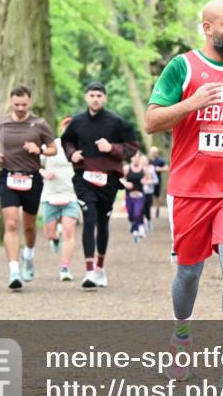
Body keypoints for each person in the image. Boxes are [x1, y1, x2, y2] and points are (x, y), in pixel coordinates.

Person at [145, 0, 223, 385]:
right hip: (190, 190)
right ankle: (180, 336)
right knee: (189, 273)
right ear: (207, 27)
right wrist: (193, 102)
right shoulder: (182, 67)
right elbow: (151, 121)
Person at [61, 82, 140, 289]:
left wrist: (111, 147)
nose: (95, 99)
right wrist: (72, 153)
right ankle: (89, 272)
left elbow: (132, 147)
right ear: (86, 97)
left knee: (103, 223)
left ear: (105, 98)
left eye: (99, 95)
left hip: (108, 179)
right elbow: (66, 141)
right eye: (92, 95)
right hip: (84, 178)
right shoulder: (77, 122)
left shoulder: (117, 122)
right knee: (89, 218)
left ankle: (100, 268)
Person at [0, 85, 57, 290]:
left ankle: (28, 254)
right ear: (10, 102)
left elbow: (53, 149)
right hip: (7, 176)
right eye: (16, 104)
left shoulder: (40, 124)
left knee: (28, 224)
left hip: (32, 178)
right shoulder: (1, 122)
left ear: (30, 102)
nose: (20, 108)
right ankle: (13, 270)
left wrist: (40, 149)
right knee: (10, 224)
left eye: (23, 104)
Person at [39, 116, 80, 281]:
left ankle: (65, 268)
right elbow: (34, 162)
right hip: (50, 195)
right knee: (49, 233)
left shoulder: (81, 146)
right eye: (66, 126)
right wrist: (43, 173)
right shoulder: (52, 145)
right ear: (61, 128)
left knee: (69, 231)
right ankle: (54, 238)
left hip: (71, 195)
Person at [121, 151, 149, 243]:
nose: (135, 158)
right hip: (129, 195)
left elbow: (149, 178)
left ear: (139, 158)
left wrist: (145, 181)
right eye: (133, 156)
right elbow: (120, 178)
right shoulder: (126, 168)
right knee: (130, 216)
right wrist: (126, 183)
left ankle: (137, 231)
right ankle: (139, 226)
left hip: (140, 195)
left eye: (136, 156)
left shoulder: (144, 169)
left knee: (137, 213)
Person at [143, 154, 158, 233]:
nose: (144, 161)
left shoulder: (151, 169)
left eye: (145, 160)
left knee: (147, 208)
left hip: (149, 192)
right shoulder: (139, 169)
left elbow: (156, 180)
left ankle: (149, 222)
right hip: (141, 192)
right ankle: (142, 225)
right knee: (140, 208)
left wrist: (148, 182)